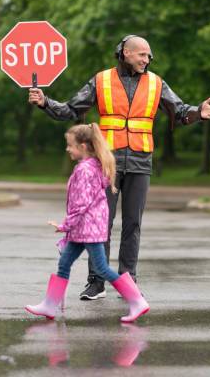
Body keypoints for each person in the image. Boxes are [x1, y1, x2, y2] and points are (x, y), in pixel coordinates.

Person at [28, 35, 210, 300]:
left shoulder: (156, 83)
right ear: (125, 52)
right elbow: (71, 110)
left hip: (141, 161)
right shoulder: (101, 80)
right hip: (107, 163)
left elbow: (181, 110)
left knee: (133, 224)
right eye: (142, 55)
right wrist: (45, 102)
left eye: (149, 56)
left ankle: (129, 279)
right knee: (100, 223)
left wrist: (198, 111)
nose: (147, 60)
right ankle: (96, 282)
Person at [25, 123, 149, 322]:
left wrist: (65, 225)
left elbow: (80, 204)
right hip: (84, 229)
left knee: (101, 268)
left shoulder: (85, 170)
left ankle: (136, 301)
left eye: (70, 145)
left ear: (83, 146)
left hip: (88, 229)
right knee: (64, 262)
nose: (67, 149)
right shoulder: (93, 166)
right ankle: (49, 305)